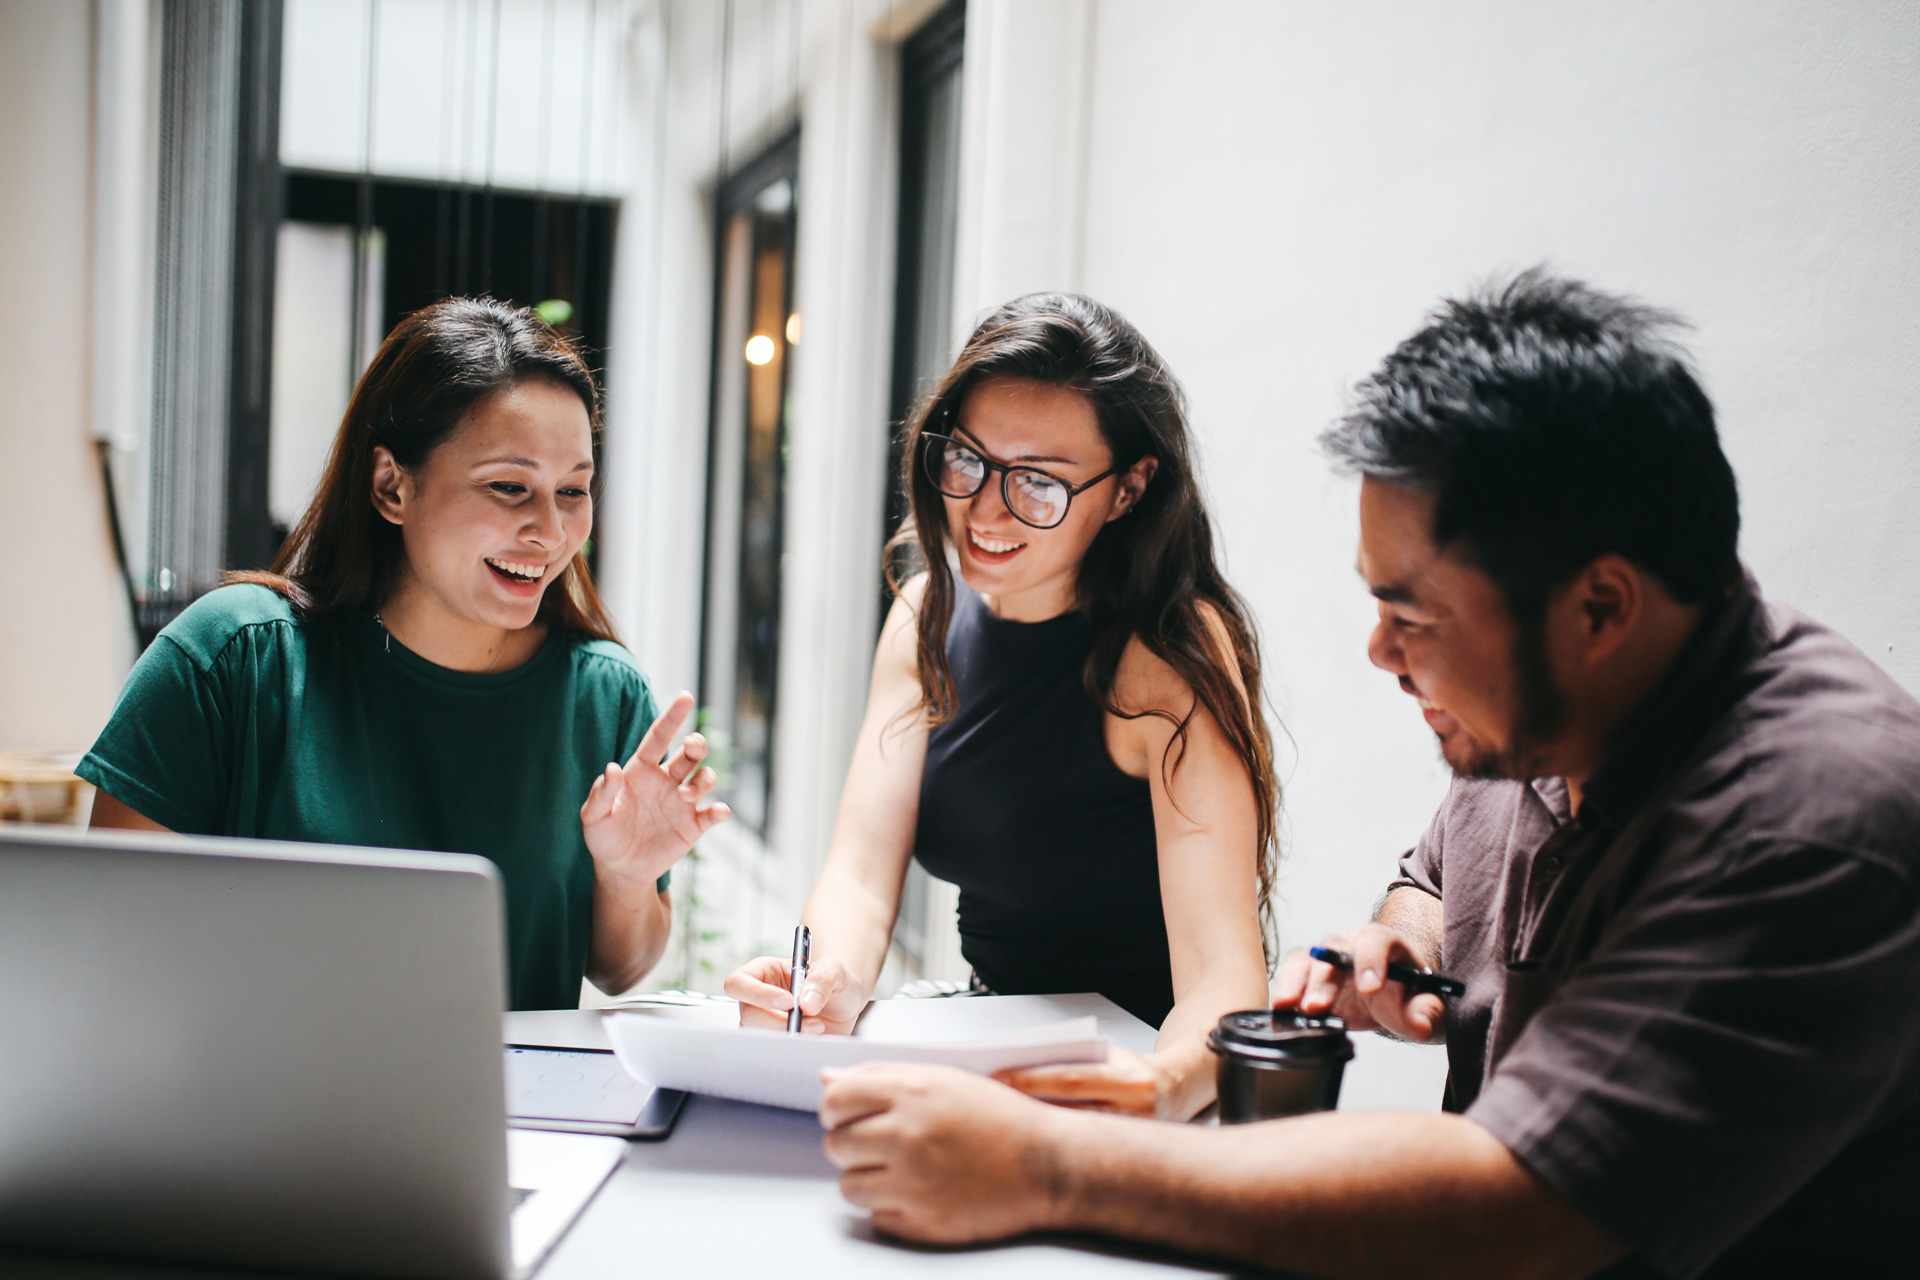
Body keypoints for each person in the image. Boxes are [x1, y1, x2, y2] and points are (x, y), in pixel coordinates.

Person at [814, 271, 1920, 1279]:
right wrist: (1405, 942)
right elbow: (1436, 879)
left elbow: (1525, 1203)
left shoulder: (1812, 823)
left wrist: (1054, 1165)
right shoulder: (1548, 717)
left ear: (1600, 606)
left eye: (1413, 615)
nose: (1379, 653)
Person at [81, 298, 728, 1010]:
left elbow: (619, 971)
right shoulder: (232, 659)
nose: (549, 532)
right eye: (509, 487)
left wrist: (629, 877)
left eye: (572, 491)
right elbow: (107, 947)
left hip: (512, 1119)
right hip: (247, 1112)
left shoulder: (603, 697)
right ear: (392, 484)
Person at [726, 293, 1278, 1119]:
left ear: (1128, 489)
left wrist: (1148, 1094)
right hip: (997, 1051)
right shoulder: (926, 615)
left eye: (1039, 486)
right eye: (968, 462)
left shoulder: (1169, 655)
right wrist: (826, 978)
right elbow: (860, 875)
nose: (985, 511)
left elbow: (1224, 976)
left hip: (1155, 1072)